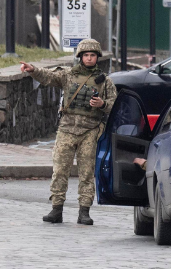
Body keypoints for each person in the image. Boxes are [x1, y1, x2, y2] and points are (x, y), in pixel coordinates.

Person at [20, 39, 117, 226]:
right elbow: (48, 77)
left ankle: (84, 211)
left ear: (97, 57)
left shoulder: (105, 82)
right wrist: (33, 70)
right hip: (67, 129)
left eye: (93, 55)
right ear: (80, 57)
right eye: (86, 55)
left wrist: (102, 104)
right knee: (60, 170)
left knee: (87, 172)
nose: (89, 58)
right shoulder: (68, 75)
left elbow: (115, 106)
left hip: (90, 130)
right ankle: (56, 209)